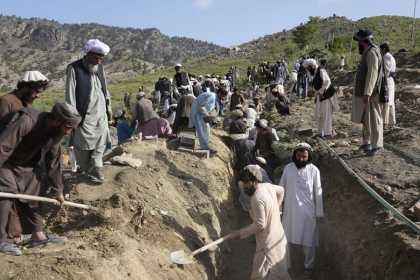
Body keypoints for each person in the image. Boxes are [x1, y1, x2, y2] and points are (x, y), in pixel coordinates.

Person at [0, 102, 82, 256]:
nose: (69, 132)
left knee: (36, 188)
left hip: (24, 163)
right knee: (6, 190)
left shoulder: (55, 134)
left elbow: (54, 163)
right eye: (69, 127)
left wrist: (57, 191)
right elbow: (2, 147)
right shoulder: (26, 120)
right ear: (57, 121)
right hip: (4, 160)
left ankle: (37, 235)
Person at [0, 71, 49, 246]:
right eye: (36, 92)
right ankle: (7, 239)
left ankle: (17, 235)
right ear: (26, 87)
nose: (37, 96)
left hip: (17, 160)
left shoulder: (25, 103)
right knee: (8, 196)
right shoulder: (7, 101)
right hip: (5, 157)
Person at [230, 166, 291, 280]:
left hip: (267, 244)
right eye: (243, 182)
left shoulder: (257, 198)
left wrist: (239, 233)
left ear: (256, 181)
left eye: (247, 182)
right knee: (277, 272)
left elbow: (259, 225)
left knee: (261, 275)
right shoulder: (268, 186)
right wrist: (277, 208)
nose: (244, 186)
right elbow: (281, 190)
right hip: (277, 236)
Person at [65, 39, 112, 182]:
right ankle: (86, 168)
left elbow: (105, 89)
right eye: (96, 58)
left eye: (101, 58)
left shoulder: (101, 68)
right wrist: (72, 116)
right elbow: (70, 95)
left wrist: (108, 107)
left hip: (101, 113)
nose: (99, 61)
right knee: (81, 145)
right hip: (83, 115)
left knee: (103, 138)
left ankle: (95, 166)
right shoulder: (74, 68)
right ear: (88, 54)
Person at [280, 143, 323, 279]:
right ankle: (284, 264)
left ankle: (308, 267)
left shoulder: (314, 170)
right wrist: (278, 207)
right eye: (299, 156)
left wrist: (319, 212)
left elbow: (318, 192)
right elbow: (281, 189)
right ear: (294, 155)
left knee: (308, 240)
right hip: (290, 212)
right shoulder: (288, 168)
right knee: (285, 239)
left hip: (307, 213)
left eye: (304, 156)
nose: (301, 159)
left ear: (309, 156)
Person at [351, 30, 384, 156]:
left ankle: (378, 145)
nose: (358, 43)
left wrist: (368, 93)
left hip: (371, 94)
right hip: (365, 93)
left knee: (374, 119)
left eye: (359, 41)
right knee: (365, 120)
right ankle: (366, 144)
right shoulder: (367, 52)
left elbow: (372, 74)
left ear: (362, 41)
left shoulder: (372, 53)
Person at [302, 58, 339, 139]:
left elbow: (327, 81)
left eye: (308, 68)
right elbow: (317, 84)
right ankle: (319, 133)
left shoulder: (321, 70)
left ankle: (327, 134)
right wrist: (315, 92)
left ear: (312, 66)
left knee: (326, 115)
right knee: (318, 114)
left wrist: (321, 92)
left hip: (326, 95)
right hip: (320, 96)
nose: (307, 70)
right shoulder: (314, 73)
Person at [379, 43, 397, 129]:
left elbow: (386, 70)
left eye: (381, 49)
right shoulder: (392, 57)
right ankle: (392, 122)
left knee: (386, 101)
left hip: (386, 80)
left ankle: (385, 122)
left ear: (384, 49)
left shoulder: (386, 57)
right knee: (391, 102)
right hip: (391, 80)